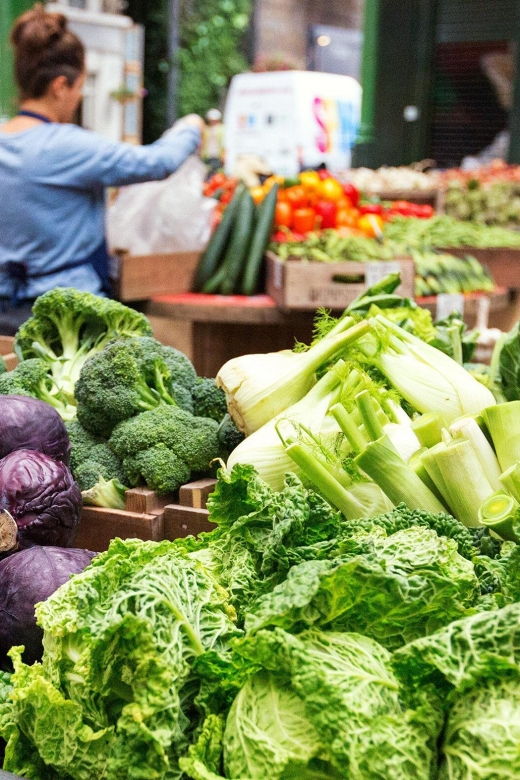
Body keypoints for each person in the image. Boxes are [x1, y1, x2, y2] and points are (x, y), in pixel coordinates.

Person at [0, 5, 205, 334]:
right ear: (60, 86)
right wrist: (190, 128)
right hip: (70, 317)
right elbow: (158, 162)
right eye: (80, 87)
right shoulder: (67, 146)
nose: (79, 98)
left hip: (5, 315)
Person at [201, 108, 225, 176]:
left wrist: (224, 154)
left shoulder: (222, 129)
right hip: (207, 155)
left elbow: (224, 143)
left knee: (215, 173)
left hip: (217, 155)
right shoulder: (206, 129)